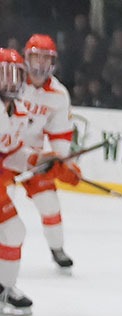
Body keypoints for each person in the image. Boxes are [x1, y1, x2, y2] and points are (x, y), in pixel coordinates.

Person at [11, 34, 77, 270]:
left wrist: (62, 162)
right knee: (4, 205)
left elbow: (60, 135)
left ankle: (57, 249)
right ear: (26, 58)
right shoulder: (11, 81)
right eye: (35, 57)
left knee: (49, 203)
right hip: (4, 155)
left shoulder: (59, 95)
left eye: (44, 59)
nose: (39, 64)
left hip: (34, 159)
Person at [1, 48, 48, 314]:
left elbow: (11, 153)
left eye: (14, 75)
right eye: (3, 75)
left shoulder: (18, 111)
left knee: (13, 231)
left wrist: (38, 160)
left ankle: (4, 289)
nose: (9, 82)